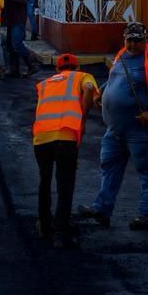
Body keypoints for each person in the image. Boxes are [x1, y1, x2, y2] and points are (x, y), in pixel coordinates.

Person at [78, 22, 148, 231]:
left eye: (137, 40)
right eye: (129, 40)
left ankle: (147, 215)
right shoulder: (122, 54)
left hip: (139, 129)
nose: (132, 44)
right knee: (109, 167)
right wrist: (102, 93)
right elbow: (114, 77)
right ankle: (102, 209)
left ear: (145, 39)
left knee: (146, 170)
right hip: (114, 128)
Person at [34, 53, 98, 249]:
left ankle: (44, 225)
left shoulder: (44, 84)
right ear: (77, 67)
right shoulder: (83, 76)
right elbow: (88, 91)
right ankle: (61, 231)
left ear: (57, 69)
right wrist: (83, 119)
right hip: (66, 136)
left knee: (45, 181)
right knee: (65, 183)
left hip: (41, 137)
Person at [0, 0, 37, 77]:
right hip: (11, 20)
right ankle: (14, 70)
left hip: (18, 20)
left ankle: (32, 65)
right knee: (10, 45)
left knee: (16, 44)